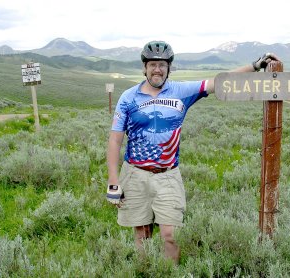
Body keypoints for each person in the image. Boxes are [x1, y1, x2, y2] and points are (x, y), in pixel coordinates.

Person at [106, 40, 279, 264]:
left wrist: (254, 66)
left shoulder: (181, 92)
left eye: (162, 65)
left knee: (170, 234)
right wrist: (113, 181)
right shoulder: (128, 98)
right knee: (141, 233)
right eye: (152, 64)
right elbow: (114, 140)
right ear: (144, 67)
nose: (157, 69)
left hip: (167, 175)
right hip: (134, 174)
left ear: (169, 68)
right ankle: (146, 270)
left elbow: (218, 82)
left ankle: (169, 271)